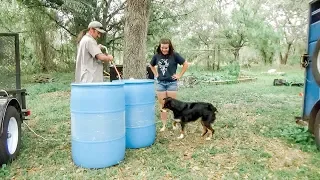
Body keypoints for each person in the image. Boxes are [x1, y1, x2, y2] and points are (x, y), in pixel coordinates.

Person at [149, 38, 189, 132]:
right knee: (163, 105)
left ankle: (174, 123)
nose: (164, 49)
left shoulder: (175, 55)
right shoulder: (157, 56)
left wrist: (179, 75)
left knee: (172, 105)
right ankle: (164, 125)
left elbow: (185, 64)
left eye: (166, 48)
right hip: (160, 83)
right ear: (160, 47)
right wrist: (156, 74)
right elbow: (151, 65)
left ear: (169, 47)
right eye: (162, 47)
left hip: (171, 83)